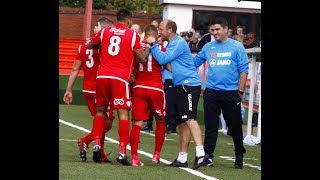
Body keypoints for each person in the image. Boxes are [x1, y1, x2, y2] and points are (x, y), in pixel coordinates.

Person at [87, 8, 148, 165]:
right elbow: (141, 58)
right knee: (123, 114)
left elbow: (90, 45)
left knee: (100, 111)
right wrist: (147, 47)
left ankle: (97, 144)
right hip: (119, 78)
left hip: (102, 76)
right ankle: (122, 152)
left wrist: (101, 47)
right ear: (128, 20)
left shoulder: (105, 31)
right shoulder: (132, 34)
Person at [146, 19, 209, 170]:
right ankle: (182, 157)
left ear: (169, 30)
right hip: (181, 84)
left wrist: (153, 45)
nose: (159, 30)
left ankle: (201, 154)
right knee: (182, 123)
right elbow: (169, 65)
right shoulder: (173, 44)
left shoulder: (178, 42)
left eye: (161, 28)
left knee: (189, 118)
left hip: (189, 84)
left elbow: (162, 59)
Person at [193, 17, 249, 169]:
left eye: (217, 29)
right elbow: (194, 63)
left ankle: (239, 156)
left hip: (231, 93)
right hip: (211, 92)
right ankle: (208, 157)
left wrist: (240, 91)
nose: (215, 32)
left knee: (235, 127)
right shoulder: (208, 47)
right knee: (211, 127)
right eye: (212, 30)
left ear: (225, 30)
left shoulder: (237, 47)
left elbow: (244, 69)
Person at [63, 17, 114, 163]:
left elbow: (75, 69)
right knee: (107, 122)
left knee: (100, 120)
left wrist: (69, 89)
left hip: (87, 88)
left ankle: (101, 153)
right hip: (101, 87)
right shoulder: (105, 45)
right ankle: (85, 141)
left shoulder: (83, 46)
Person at [129, 24, 167, 166]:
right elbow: (168, 65)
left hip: (139, 88)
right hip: (156, 88)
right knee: (160, 120)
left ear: (144, 35)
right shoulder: (161, 48)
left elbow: (132, 65)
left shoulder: (137, 48)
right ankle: (156, 154)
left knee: (137, 122)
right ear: (156, 35)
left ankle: (134, 157)